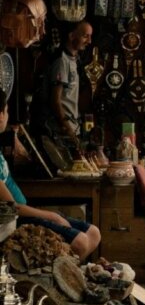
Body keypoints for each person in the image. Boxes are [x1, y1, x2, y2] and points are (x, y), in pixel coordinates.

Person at [0, 89, 101, 259]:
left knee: (94, 232)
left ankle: (67, 275)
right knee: (81, 242)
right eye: (7, 111)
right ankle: (60, 278)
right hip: (16, 220)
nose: (8, 116)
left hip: (24, 212)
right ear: (1, 115)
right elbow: (11, 207)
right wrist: (50, 215)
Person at [37, 21, 92, 150]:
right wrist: (68, 129)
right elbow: (55, 100)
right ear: (72, 36)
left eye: (90, 36)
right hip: (60, 133)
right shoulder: (62, 61)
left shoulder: (74, 60)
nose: (89, 41)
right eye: (85, 36)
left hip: (72, 129)